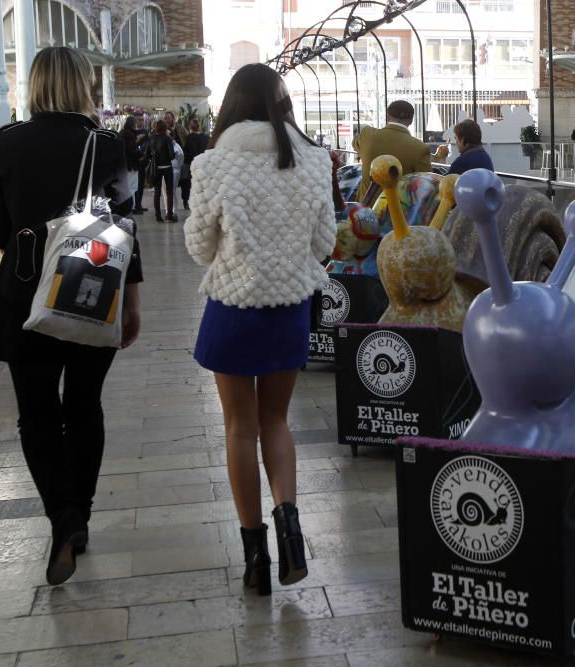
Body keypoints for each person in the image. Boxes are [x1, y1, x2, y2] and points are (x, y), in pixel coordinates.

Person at [0, 46, 142, 585]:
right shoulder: (108, 145)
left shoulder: (5, 145)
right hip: (91, 291)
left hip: (22, 299)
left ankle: (63, 516)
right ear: (82, 84)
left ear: (33, 85)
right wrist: (133, 303)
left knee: (36, 414)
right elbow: (125, 228)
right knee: (84, 405)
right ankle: (83, 515)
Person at [184, 63, 336, 596]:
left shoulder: (214, 164)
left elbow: (199, 247)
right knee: (276, 422)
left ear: (231, 106)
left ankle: (255, 558)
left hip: (233, 307)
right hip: (289, 308)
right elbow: (324, 242)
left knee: (238, 428)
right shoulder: (315, 161)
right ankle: (292, 536)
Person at [352, 100, 432, 199]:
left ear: (388, 116)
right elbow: (426, 185)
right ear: (411, 121)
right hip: (397, 213)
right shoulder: (420, 148)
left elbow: (355, 145)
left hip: (364, 211)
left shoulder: (367, 135)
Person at [146, 119, 177, 222]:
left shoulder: (151, 138)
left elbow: (147, 154)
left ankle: (158, 215)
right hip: (167, 167)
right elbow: (172, 155)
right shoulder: (168, 139)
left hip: (156, 168)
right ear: (165, 128)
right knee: (169, 192)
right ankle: (169, 215)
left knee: (157, 192)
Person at [180, 118, 209, 210]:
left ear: (190, 127)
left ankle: (187, 202)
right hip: (203, 164)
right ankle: (202, 201)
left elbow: (186, 152)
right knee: (201, 184)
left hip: (191, 164)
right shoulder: (206, 137)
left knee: (187, 184)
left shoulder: (189, 138)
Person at [118, 115, 143, 209]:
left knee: (126, 186)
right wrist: (141, 154)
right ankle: (131, 207)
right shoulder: (130, 135)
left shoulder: (121, 133)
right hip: (131, 165)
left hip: (124, 164)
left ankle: (126, 206)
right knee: (132, 186)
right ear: (133, 124)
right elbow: (132, 150)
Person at [133, 113, 150, 213]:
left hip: (143, 162)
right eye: (139, 120)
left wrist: (145, 156)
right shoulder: (131, 132)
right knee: (135, 185)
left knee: (141, 184)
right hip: (134, 163)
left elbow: (147, 144)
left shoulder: (145, 132)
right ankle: (135, 205)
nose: (141, 122)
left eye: (142, 120)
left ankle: (139, 204)